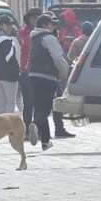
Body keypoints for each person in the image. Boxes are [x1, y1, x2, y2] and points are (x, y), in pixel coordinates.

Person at [27, 13, 69, 151]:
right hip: (47, 77)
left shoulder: (34, 38)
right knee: (45, 109)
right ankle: (34, 124)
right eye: (52, 24)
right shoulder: (49, 38)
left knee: (39, 108)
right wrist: (65, 73)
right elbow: (58, 58)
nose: (54, 26)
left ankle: (45, 141)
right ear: (45, 25)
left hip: (33, 76)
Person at [0, 15, 21, 114]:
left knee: (1, 104)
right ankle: (7, 127)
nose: (10, 27)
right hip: (9, 77)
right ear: (1, 26)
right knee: (10, 104)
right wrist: (17, 73)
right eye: (8, 24)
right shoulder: (7, 40)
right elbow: (11, 59)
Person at [18, 7, 41, 138]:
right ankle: (26, 128)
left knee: (39, 102)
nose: (35, 20)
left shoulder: (42, 32)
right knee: (28, 102)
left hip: (38, 71)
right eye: (33, 18)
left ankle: (37, 127)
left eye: (37, 17)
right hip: (26, 71)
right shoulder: (23, 32)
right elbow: (26, 43)